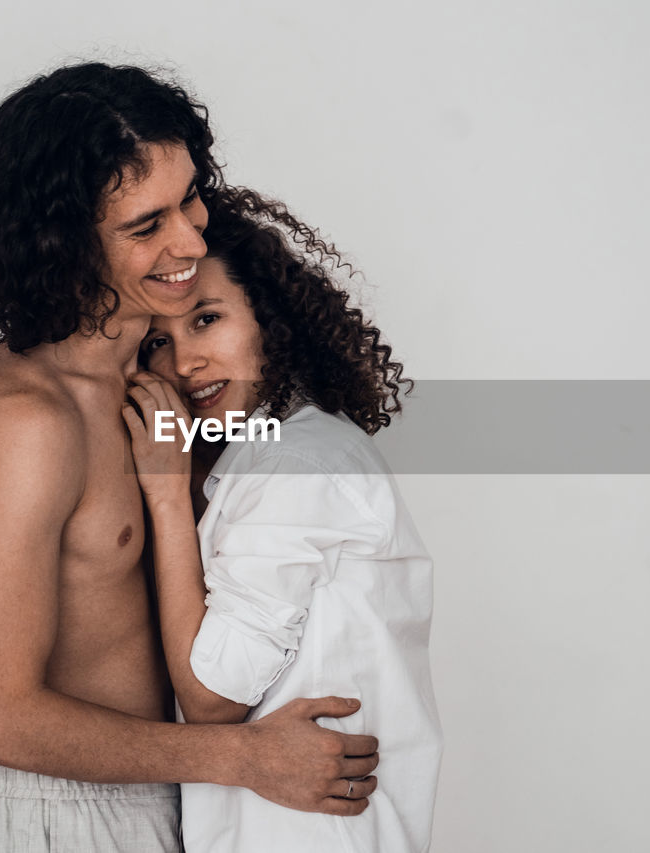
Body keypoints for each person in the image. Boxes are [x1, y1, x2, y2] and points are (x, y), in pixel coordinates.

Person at [0, 62, 380, 852]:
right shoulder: (28, 421)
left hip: (175, 800)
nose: (191, 239)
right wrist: (243, 755)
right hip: (59, 820)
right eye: (147, 226)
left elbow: (270, 469)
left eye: (189, 198)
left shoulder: (159, 374)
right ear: (63, 245)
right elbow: (2, 718)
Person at [123, 196, 444, 852]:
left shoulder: (296, 464)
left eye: (206, 319)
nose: (185, 365)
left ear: (269, 319)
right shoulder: (280, 451)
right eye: (159, 341)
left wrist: (162, 487)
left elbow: (214, 698)